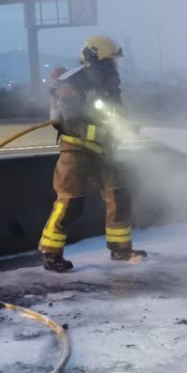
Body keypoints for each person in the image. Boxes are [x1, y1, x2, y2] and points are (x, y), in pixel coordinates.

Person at [38, 35, 147, 272]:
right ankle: (51, 253)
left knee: (119, 194)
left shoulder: (109, 82)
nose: (115, 65)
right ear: (95, 59)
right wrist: (101, 131)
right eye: (111, 60)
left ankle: (121, 249)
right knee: (71, 202)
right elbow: (69, 122)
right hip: (76, 148)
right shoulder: (72, 84)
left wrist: (125, 125)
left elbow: (117, 113)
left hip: (104, 149)